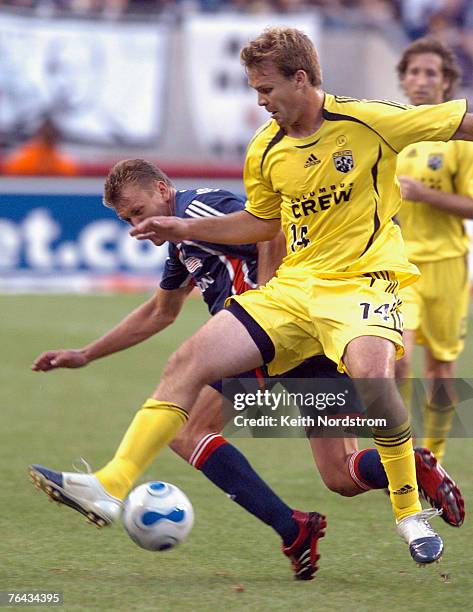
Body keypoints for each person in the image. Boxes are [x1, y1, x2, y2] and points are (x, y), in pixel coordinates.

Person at [30, 26, 473, 569]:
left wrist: (192, 231)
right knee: (189, 366)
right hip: (294, 294)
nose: (259, 100)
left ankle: (408, 514)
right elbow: (262, 223)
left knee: (373, 384)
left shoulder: (367, 120)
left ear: (302, 79)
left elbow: (460, 123)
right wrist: (175, 230)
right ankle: (110, 484)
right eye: (253, 89)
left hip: (363, 281)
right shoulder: (264, 149)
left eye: (265, 88)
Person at [395, 37, 473, 465]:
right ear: (403, 80)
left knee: (441, 368)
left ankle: (433, 459)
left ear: (446, 83)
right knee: (396, 357)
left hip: (446, 264)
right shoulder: (391, 129)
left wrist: (425, 195)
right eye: (414, 72)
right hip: (398, 265)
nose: (421, 81)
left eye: (431, 73)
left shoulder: (460, 139)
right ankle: (401, 451)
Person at [2, 117, 78, 176]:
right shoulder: (23, 162)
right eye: (46, 135)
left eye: (51, 135)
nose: (49, 136)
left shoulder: (63, 165)